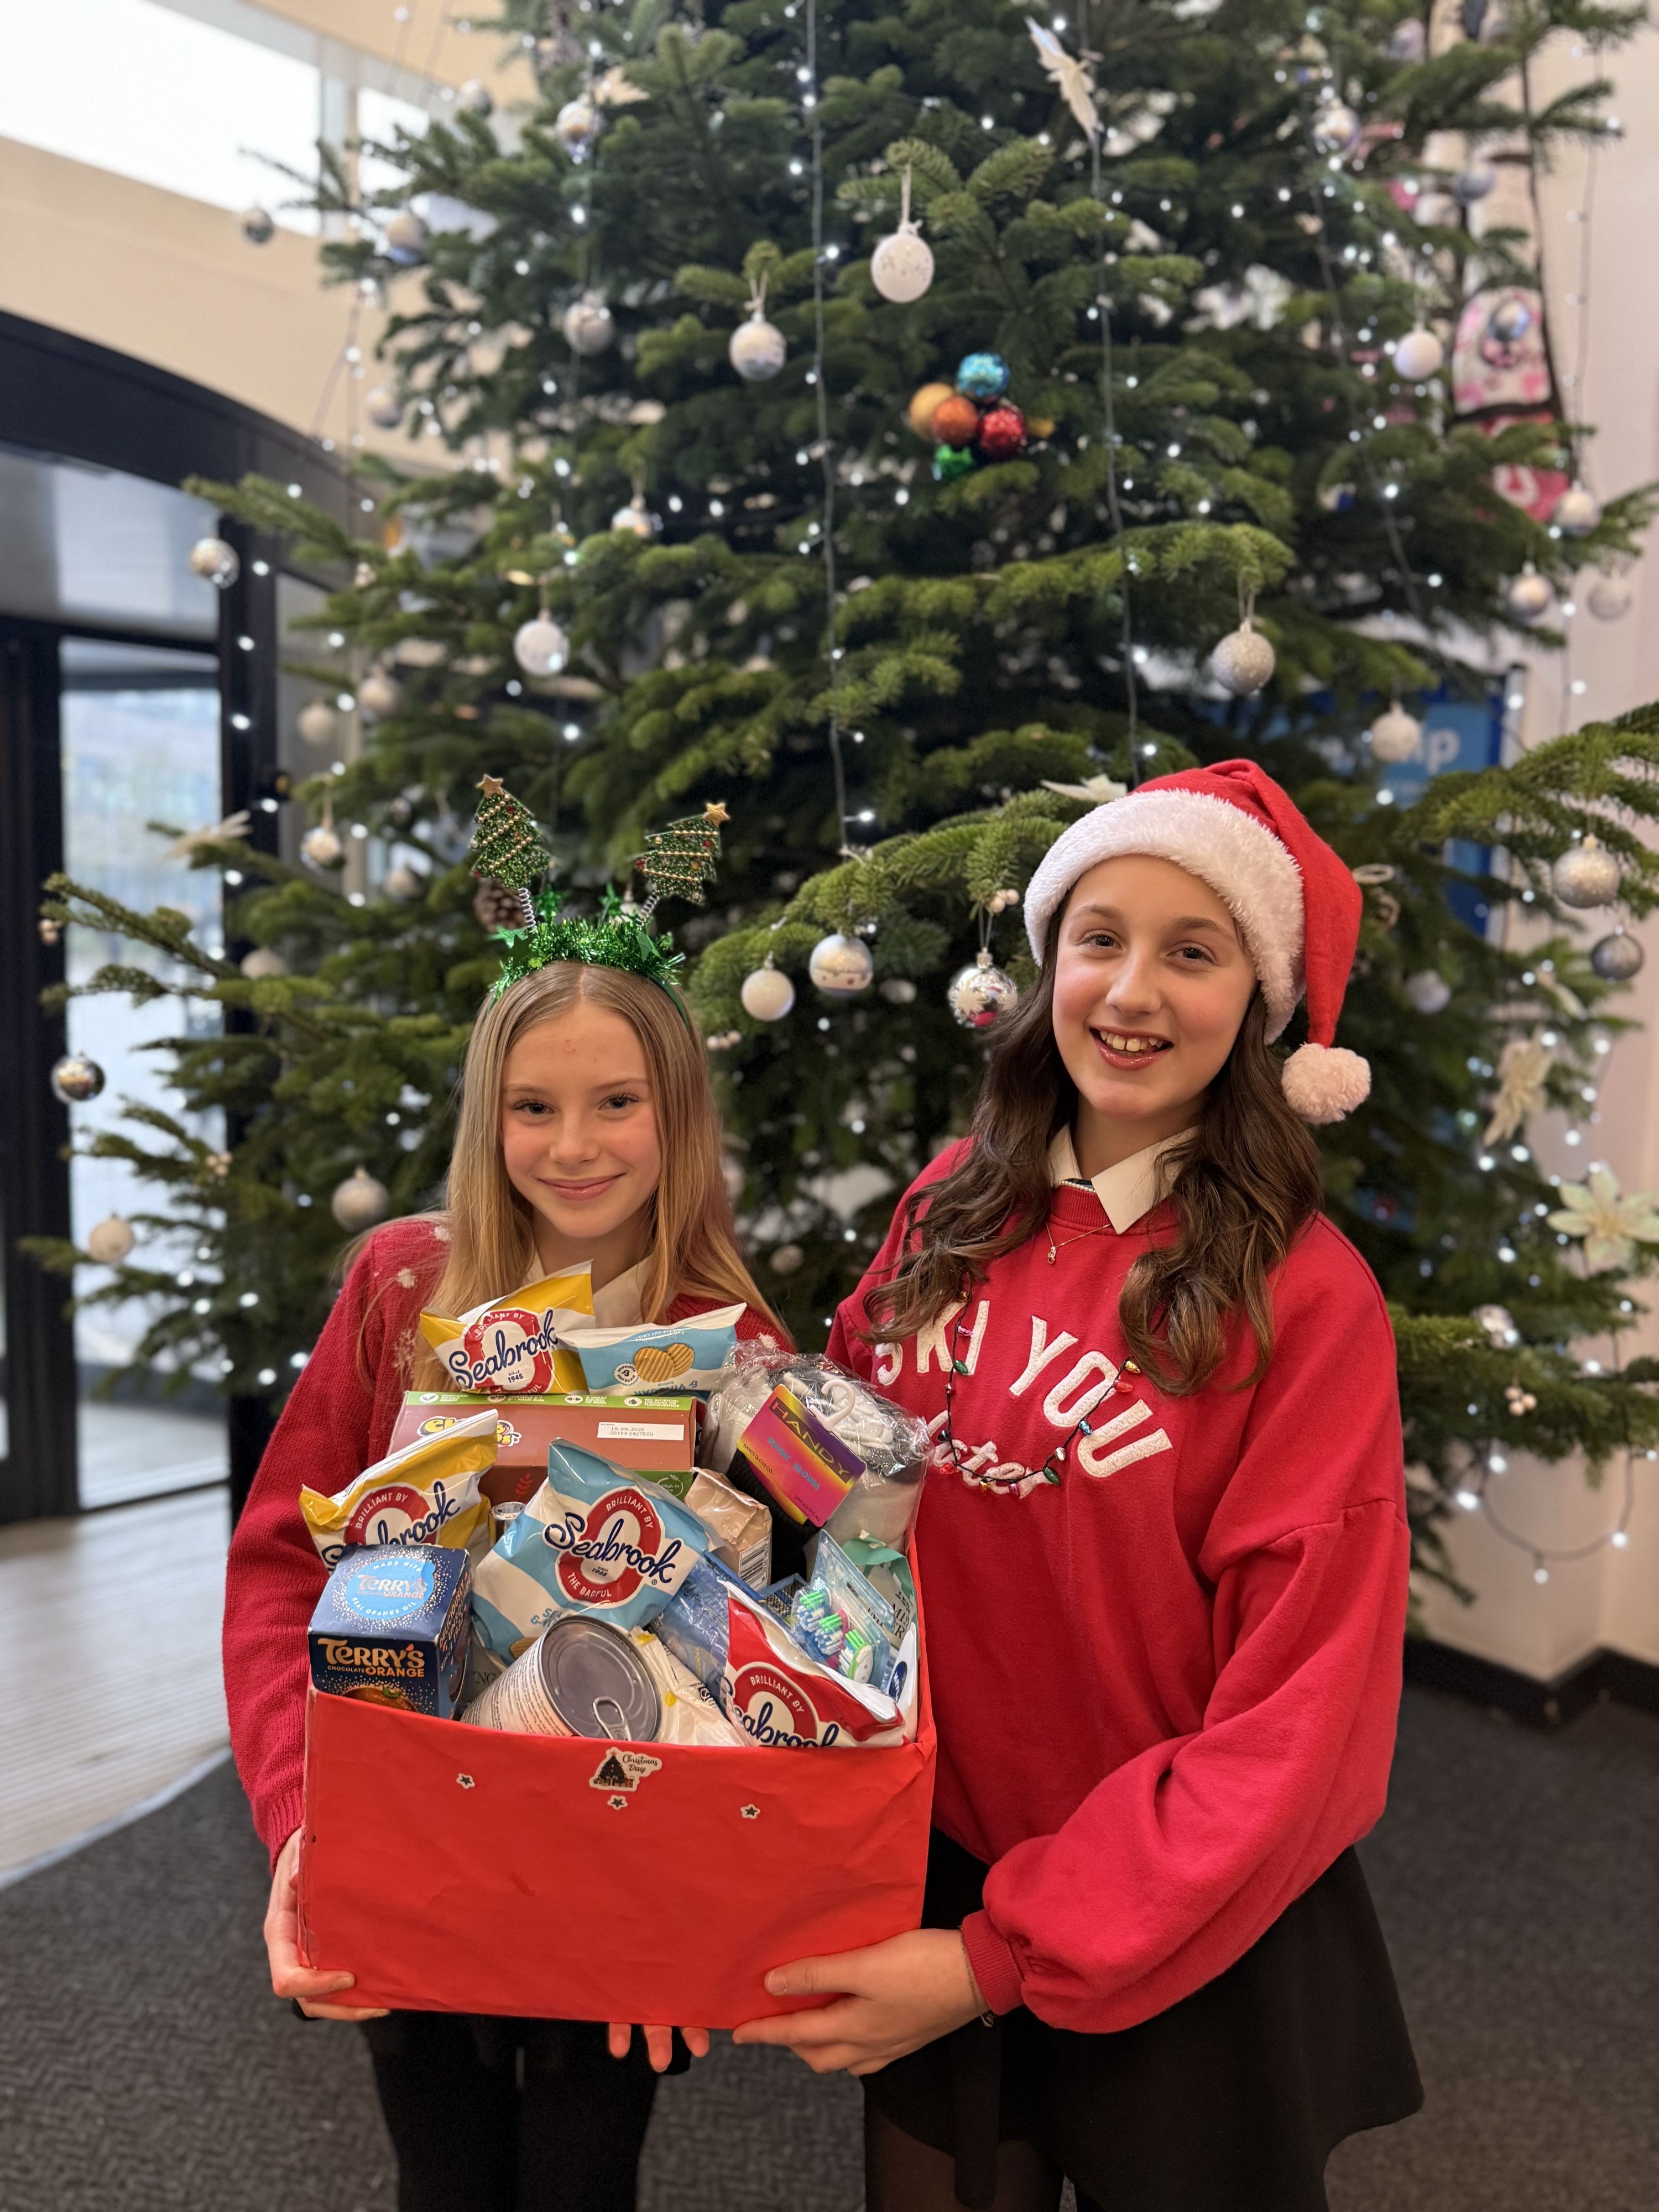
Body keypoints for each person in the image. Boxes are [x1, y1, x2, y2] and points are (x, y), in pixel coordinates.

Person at [733, 760, 1423, 2212]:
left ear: (1262, 1001)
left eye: (1194, 952)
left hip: (1170, 1916)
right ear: (1049, 964)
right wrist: (700, 1451)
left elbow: (1302, 1728)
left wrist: (999, 1960)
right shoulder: (950, 1204)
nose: (1134, 991)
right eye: (1102, 938)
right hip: (937, 1861)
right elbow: (834, 1471)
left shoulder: (1304, 1301)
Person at [224, 943, 783, 2212]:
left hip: (623, 1868)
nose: (573, 1144)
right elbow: (275, 1568)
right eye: (534, 1106)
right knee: (444, 2169)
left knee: (588, 2173)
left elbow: (776, 1637)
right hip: (409, 1836)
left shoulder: (733, 1340)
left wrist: (708, 1901)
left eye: (617, 1101)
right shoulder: (400, 1286)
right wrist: (300, 1819)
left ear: (679, 1112)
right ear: (490, 1117)